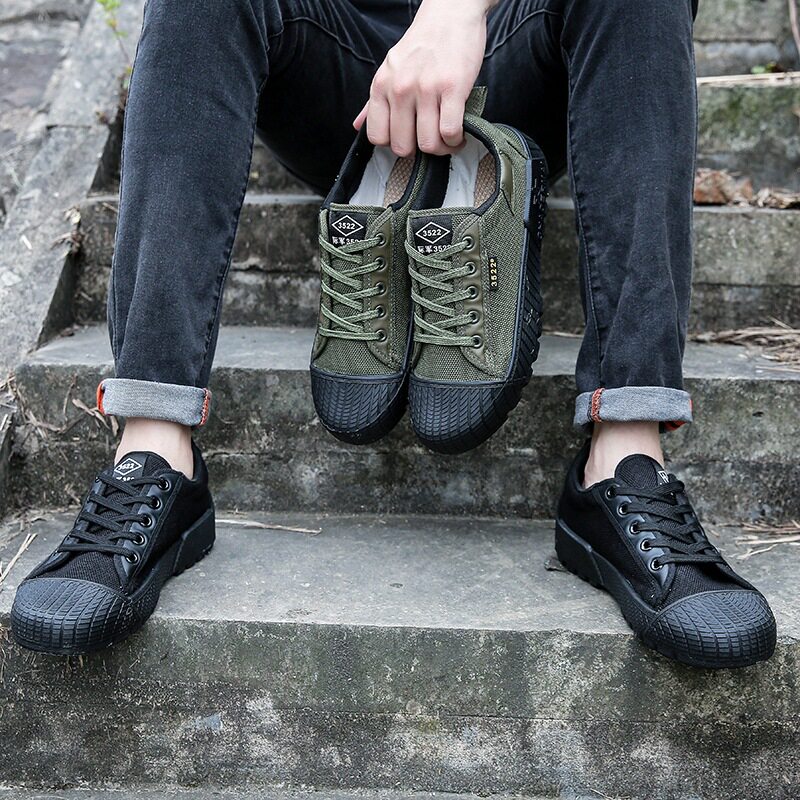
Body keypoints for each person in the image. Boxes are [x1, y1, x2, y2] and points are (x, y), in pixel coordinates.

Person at [9, 0, 776, 667]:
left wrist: (455, 12)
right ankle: (153, 452)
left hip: (519, 55)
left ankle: (626, 458)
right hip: (345, 86)